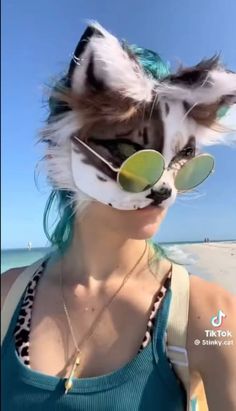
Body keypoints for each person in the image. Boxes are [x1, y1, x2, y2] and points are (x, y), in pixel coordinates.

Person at [1, 22, 236, 411]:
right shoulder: (8, 298)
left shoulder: (209, 317)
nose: (166, 186)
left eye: (181, 160)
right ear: (62, 150)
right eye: (134, 153)